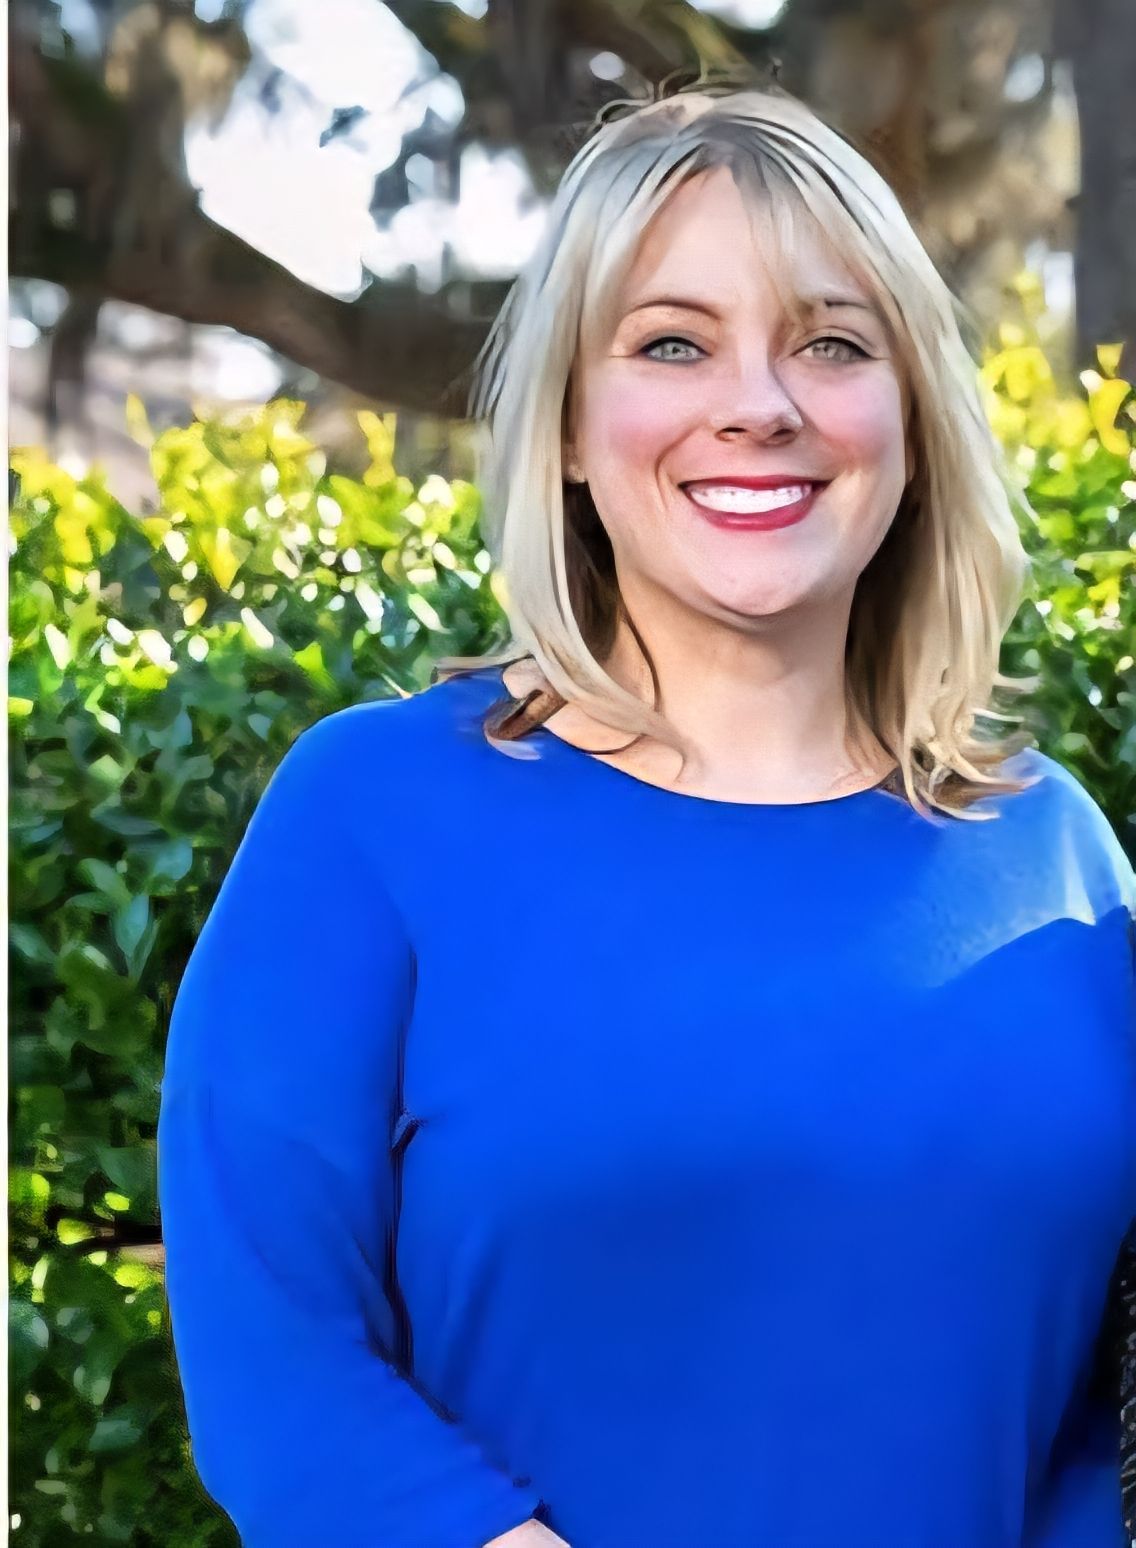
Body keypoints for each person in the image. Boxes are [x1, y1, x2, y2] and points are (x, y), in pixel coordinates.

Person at [157, 77, 1136, 1548]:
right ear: (565, 424)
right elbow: (278, 1367)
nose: (760, 404)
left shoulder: (1059, 858)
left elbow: (1102, 1420)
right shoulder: (372, 818)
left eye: (832, 343)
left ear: (914, 418)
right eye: (673, 343)